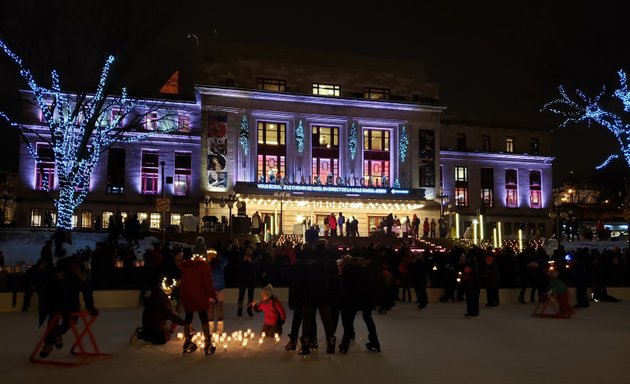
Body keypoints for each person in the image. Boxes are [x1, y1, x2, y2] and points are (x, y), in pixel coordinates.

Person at [38, 256, 99, 358]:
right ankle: (48, 344)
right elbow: (48, 289)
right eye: (74, 268)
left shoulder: (82, 276)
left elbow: (87, 292)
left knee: (70, 322)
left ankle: (57, 333)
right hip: (56, 299)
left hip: (72, 301)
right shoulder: (59, 274)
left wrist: (90, 307)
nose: (76, 269)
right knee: (53, 320)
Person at [338, 256, 381, 353]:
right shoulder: (366, 272)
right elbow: (372, 286)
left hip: (350, 299)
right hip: (365, 299)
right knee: (368, 319)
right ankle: (374, 342)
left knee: (348, 322)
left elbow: (343, 286)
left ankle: (345, 344)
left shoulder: (346, 272)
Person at [178, 248, 217, 355]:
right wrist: (213, 295)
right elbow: (207, 282)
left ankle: (187, 340)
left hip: (187, 295)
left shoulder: (185, 266)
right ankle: (207, 342)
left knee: (188, 316)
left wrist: (182, 296)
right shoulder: (203, 266)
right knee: (203, 316)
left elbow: (182, 283)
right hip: (199, 295)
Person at [131, 277, 184, 345]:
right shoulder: (160, 298)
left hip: (155, 323)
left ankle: (149, 334)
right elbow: (169, 314)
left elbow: (168, 313)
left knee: (166, 337)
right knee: (161, 339)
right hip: (152, 324)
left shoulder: (160, 295)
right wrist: (184, 323)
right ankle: (141, 335)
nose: (171, 290)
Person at [208, 248, 229, 334]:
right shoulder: (206, 265)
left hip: (220, 288)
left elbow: (227, 261)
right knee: (210, 308)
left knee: (219, 308)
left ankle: (220, 328)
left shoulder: (220, 263)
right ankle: (210, 328)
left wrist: (219, 256)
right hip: (210, 289)